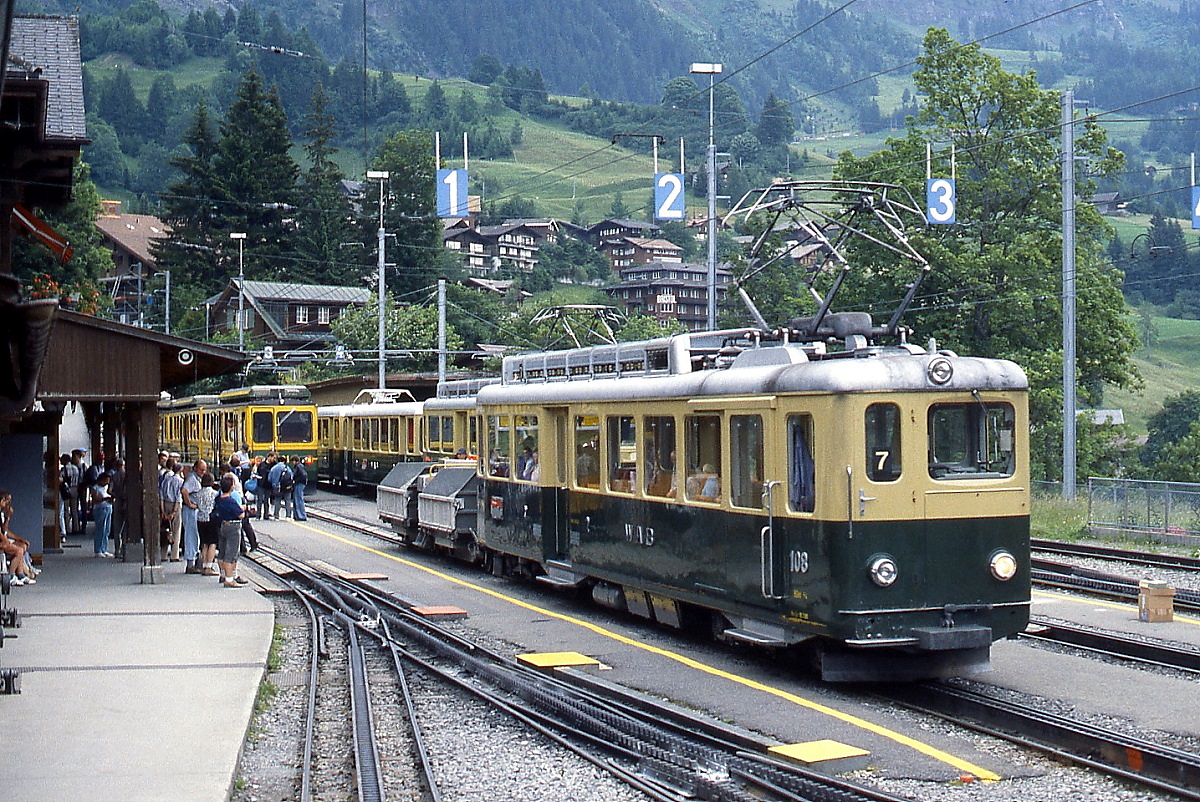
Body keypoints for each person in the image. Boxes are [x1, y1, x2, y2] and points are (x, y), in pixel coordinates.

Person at [212, 475, 249, 588]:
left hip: (223, 525)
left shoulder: (219, 499)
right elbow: (241, 515)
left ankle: (223, 575)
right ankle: (229, 579)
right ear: (231, 487)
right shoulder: (230, 501)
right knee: (231, 553)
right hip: (233, 526)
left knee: (222, 552)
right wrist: (243, 509)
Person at [0, 489, 37, 585]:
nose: (8, 503)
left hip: (3, 540)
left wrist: (8, 517)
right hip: (1, 542)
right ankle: (11, 576)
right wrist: (5, 540)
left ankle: (21, 574)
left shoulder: (2, 513)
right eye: (5, 500)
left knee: (21, 547)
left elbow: (5, 530)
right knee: (19, 551)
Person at [181, 459, 207, 573]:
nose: (203, 472)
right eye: (201, 469)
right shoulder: (192, 479)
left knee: (194, 535)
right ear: (195, 468)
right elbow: (184, 491)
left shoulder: (196, 478)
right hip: (190, 511)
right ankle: (190, 564)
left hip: (193, 511)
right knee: (191, 535)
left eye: (205, 470)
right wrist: (189, 504)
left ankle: (194, 561)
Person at [194, 472, 220, 576]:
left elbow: (197, 505)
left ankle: (204, 565)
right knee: (212, 543)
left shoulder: (199, 493)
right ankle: (209, 566)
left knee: (204, 542)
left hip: (200, 519)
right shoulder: (214, 493)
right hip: (211, 519)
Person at [159, 458, 183, 561]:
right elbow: (178, 497)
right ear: (180, 471)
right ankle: (174, 555)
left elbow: (161, 495)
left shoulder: (166, 479)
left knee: (165, 530)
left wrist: (163, 510)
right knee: (176, 530)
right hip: (174, 505)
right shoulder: (180, 481)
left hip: (165, 504)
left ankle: (163, 554)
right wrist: (174, 512)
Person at [90, 472, 114, 557]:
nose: (107, 482)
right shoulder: (95, 487)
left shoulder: (107, 487)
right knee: (100, 529)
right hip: (100, 508)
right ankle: (98, 549)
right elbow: (95, 499)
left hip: (108, 507)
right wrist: (104, 499)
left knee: (106, 529)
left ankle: (104, 548)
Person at [60, 451, 81, 535]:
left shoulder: (64, 469)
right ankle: (76, 528)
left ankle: (67, 529)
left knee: (66, 510)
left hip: (67, 489)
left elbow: (61, 479)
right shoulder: (76, 468)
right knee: (74, 509)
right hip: (75, 489)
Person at [289, 455, 308, 521]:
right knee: (297, 499)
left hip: (299, 484)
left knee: (298, 499)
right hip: (300, 483)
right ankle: (298, 515)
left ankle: (301, 516)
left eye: (293, 461)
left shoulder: (298, 466)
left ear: (295, 460)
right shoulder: (300, 466)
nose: (292, 463)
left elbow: (302, 475)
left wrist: (295, 480)